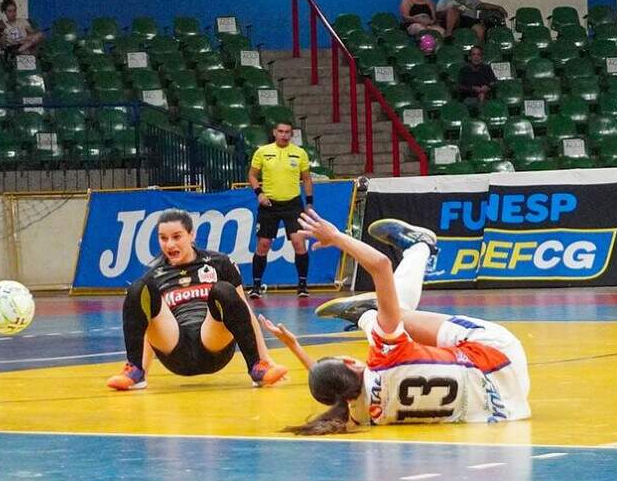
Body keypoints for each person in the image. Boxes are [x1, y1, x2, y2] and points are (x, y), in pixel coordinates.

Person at [258, 212, 531, 434]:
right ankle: (417, 250)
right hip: (499, 355)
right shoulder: (384, 355)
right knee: (395, 312)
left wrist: (295, 347)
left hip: (508, 405)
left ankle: (369, 312)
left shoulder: (365, 416)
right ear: (351, 364)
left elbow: (335, 390)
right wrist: (337, 237)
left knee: (394, 322)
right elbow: (381, 265)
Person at [106, 209, 288, 391]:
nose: (169, 244)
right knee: (138, 288)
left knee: (223, 289)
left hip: (213, 343)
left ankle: (257, 368)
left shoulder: (220, 263)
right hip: (175, 350)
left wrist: (266, 359)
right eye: (163, 238)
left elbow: (244, 312)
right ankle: (135, 372)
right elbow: (150, 326)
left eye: (177, 237)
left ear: (191, 234)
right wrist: (143, 369)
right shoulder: (154, 276)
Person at [247, 122, 314, 299]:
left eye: (287, 133)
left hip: (293, 204)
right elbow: (252, 175)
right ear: (274, 132)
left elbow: (307, 179)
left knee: (299, 243)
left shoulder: (300, 153)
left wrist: (309, 203)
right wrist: (259, 193)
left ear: (291, 135)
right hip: (269, 205)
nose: (284, 135)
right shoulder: (262, 151)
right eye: (281, 132)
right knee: (263, 245)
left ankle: (302, 285)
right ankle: (256, 285)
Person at [457, 45, 497, 110]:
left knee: (484, 96)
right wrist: (473, 88)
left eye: (478, 54)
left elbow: (494, 82)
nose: (476, 57)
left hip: (486, 97)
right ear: (470, 57)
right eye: (473, 54)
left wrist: (488, 87)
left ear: (482, 57)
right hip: (469, 97)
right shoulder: (464, 70)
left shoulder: (487, 68)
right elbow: (460, 86)